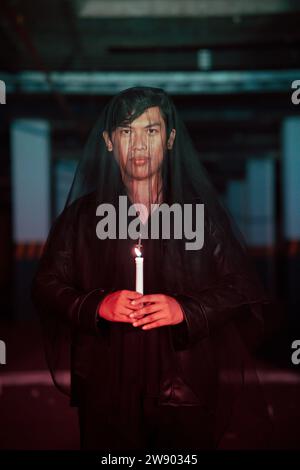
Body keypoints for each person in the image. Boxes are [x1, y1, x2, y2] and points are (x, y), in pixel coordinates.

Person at [31, 86, 271, 450]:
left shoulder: (201, 216)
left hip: (184, 387)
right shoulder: (81, 217)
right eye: (127, 132)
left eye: (151, 130)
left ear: (170, 139)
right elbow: (46, 284)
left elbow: (242, 287)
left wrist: (184, 310)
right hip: (107, 389)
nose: (139, 145)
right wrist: (97, 305)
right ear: (109, 142)